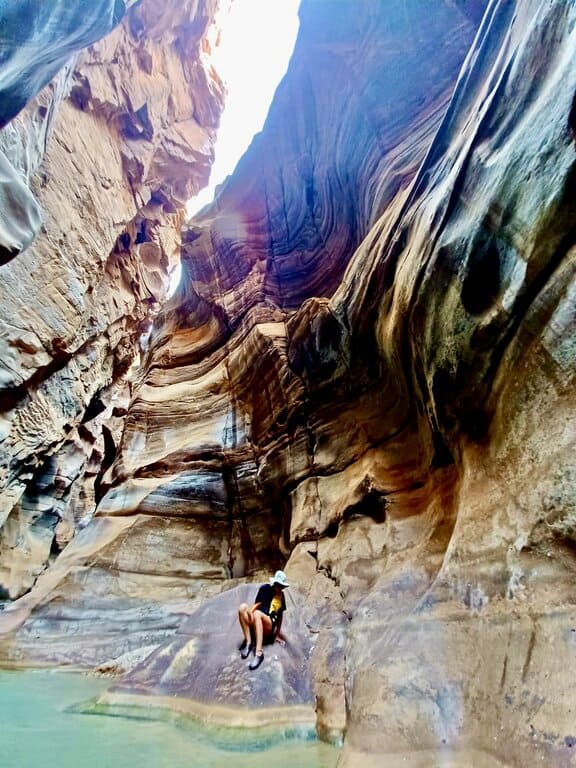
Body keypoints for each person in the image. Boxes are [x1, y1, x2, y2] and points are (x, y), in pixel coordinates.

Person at [237, 569, 289, 670]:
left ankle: (259, 653)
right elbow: (258, 604)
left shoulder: (281, 596)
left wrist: (277, 633)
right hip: (258, 619)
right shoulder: (264, 588)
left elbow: (280, 616)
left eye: (282, 586)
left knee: (257, 614)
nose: (280, 588)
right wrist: (249, 618)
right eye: (278, 585)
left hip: (269, 624)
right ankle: (248, 642)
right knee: (242, 607)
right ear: (274, 583)